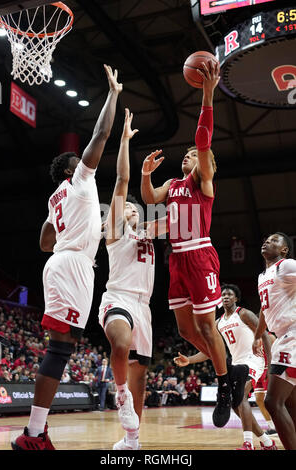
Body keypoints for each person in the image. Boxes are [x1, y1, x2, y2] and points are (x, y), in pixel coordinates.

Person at [11, 64, 122, 451]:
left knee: (63, 347)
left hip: (63, 262)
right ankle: (33, 435)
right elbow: (102, 134)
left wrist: (69, 228)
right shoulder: (79, 181)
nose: (86, 161)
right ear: (72, 169)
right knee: (58, 350)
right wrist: (112, 93)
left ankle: (37, 431)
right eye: (80, 160)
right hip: (72, 265)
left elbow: (44, 241)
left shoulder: (55, 197)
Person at [140, 59, 247, 427]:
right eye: (184, 154)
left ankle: (223, 385)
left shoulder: (204, 182)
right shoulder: (172, 185)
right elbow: (150, 199)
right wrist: (144, 175)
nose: (188, 155)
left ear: (205, 165)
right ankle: (228, 364)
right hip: (176, 260)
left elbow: (203, 140)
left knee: (205, 327)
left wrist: (207, 96)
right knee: (186, 330)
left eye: (193, 155)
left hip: (200, 254)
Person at [98, 108, 154, 450]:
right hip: (118, 295)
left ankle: (132, 439)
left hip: (144, 306)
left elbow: (180, 216)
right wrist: (123, 140)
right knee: (119, 343)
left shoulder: (149, 232)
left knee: (142, 380)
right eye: (128, 209)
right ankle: (119, 395)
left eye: (136, 209)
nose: (132, 211)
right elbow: (122, 182)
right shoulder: (115, 231)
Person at [174, 283, 277, 450]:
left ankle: (248, 444)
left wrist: (270, 364)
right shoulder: (217, 323)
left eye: (229, 294)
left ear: (236, 298)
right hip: (236, 363)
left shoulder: (244, 314)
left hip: (253, 360)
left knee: (241, 395)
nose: (226, 297)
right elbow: (210, 351)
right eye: (223, 295)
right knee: (235, 403)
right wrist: (190, 360)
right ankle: (266, 441)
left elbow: (264, 334)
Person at [253, 232, 296, 450]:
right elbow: (264, 308)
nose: (267, 241)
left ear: (284, 250)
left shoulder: (286, 265)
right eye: (266, 239)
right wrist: (257, 335)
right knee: (290, 403)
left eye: (274, 240)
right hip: (283, 336)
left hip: (293, 335)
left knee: (272, 402)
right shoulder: (263, 275)